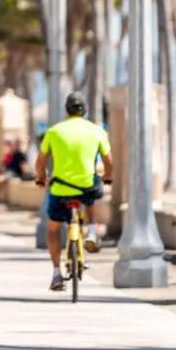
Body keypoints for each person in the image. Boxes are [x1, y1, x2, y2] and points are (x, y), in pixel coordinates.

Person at [35, 92, 115, 292]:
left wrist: (40, 178)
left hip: (60, 187)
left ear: (66, 110)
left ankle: (55, 273)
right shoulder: (97, 131)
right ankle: (92, 230)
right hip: (86, 186)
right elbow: (108, 162)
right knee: (93, 197)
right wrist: (108, 177)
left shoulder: (54, 132)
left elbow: (41, 161)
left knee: (53, 229)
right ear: (85, 109)